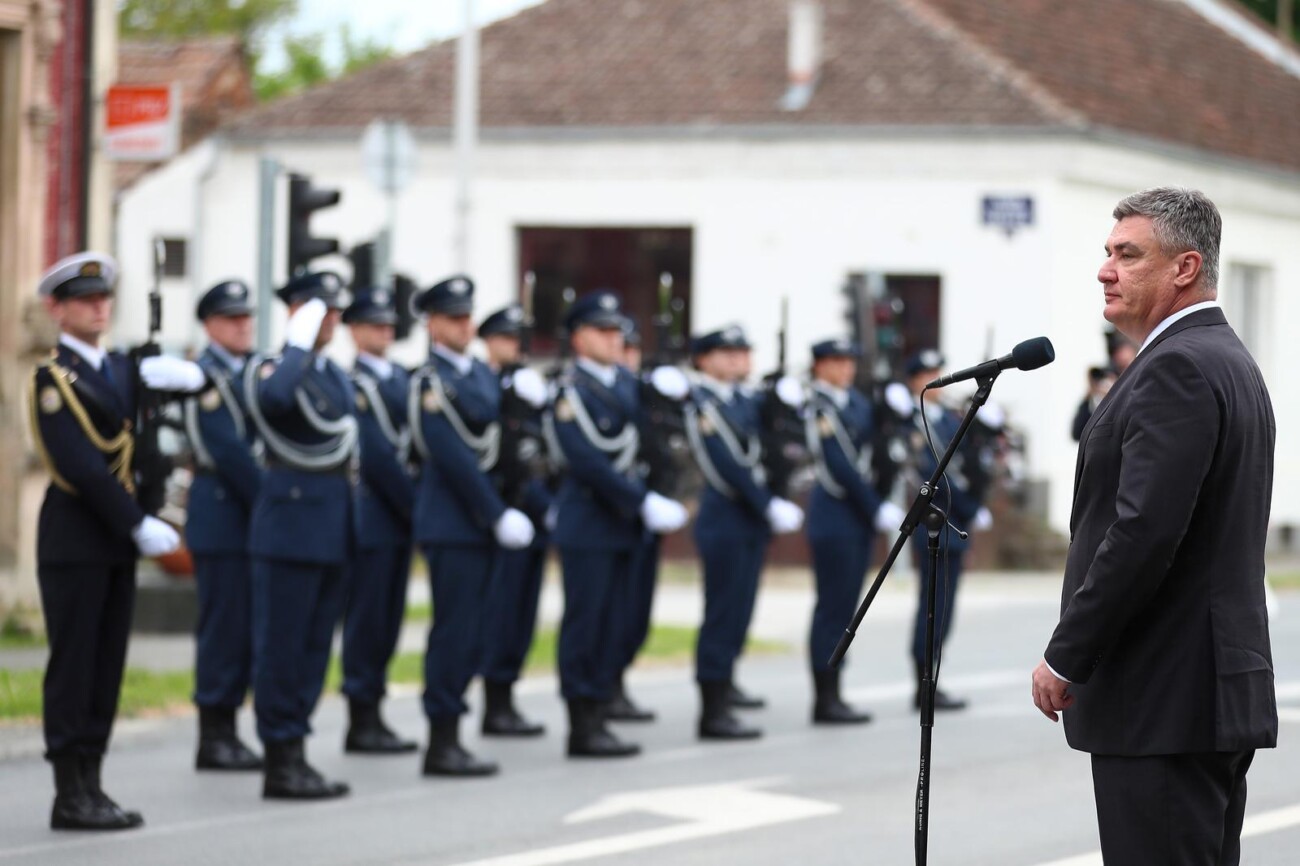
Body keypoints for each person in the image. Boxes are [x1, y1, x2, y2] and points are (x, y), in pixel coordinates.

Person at [1031, 188, 1277, 865]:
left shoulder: (1177, 367)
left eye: (1128, 255)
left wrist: (1067, 653)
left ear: (1184, 268)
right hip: (1197, 694)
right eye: (1108, 253)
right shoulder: (1225, 358)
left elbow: (1143, 534)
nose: (1105, 270)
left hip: (1163, 697)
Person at [29, 252, 203, 829]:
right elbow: (81, 466)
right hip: (76, 539)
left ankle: (94, 783)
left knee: (106, 666)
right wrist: (136, 522)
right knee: (75, 665)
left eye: (103, 298)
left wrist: (186, 378)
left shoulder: (126, 368)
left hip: (116, 543)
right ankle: (67, 792)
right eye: (84, 300)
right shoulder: (53, 379)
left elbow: (147, 439)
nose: (98, 308)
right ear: (57, 309)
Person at [550, 291, 689, 758]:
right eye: (604, 331)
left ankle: (603, 705)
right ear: (579, 338)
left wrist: (673, 395)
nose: (615, 339)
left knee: (617, 622)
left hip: (625, 525)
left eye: (618, 331)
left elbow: (659, 439)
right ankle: (582, 722)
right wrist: (641, 499)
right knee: (586, 623)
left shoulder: (629, 386)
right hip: (590, 523)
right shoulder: (569, 390)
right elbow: (586, 460)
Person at [409, 277, 536, 776]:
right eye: (454, 318)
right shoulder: (429, 380)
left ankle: (455, 730)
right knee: (454, 631)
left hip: (481, 523)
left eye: (468, 317)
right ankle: (441, 738)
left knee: (477, 632)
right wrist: (496, 511)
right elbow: (453, 457)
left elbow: (502, 443)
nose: (465, 326)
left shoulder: (483, 374)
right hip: (453, 521)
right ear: (432, 324)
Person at [244, 271, 355, 800]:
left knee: (313, 649)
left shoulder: (331, 373)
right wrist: (296, 344)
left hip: (331, 526)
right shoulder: (274, 367)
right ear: (297, 313)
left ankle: (297, 748)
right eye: (320, 310)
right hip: (289, 528)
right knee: (282, 649)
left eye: (334, 311)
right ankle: (279, 757)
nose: (332, 319)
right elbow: (275, 401)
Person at [685, 325, 803, 740]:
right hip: (724, 518)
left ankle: (727, 682)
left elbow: (776, 444)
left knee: (741, 609)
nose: (739, 359)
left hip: (750, 519)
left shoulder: (746, 400)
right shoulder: (698, 401)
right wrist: (765, 502)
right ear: (704, 359)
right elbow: (724, 463)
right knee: (722, 613)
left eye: (743, 351)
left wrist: (783, 401)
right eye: (728, 352)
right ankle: (712, 709)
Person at [185, 280, 264, 772]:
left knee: (245, 628)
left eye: (246, 316)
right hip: (222, 514)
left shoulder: (253, 369)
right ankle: (214, 734)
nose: (243, 325)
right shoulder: (202, 376)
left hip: (249, 517)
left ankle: (230, 727)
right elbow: (228, 451)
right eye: (232, 318)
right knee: (223, 627)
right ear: (210, 324)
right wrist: (273, 498)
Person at [803, 338, 904, 724]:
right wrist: (875, 505)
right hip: (834, 516)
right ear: (819, 365)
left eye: (850, 361)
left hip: (858, 518)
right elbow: (840, 464)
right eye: (837, 361)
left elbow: (881, 448)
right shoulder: (816, 405)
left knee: (847, 609)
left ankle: (835, 691)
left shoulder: (859, 403)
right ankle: (825, 696)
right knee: (832, 609)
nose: (846, 368)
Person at [339, 286, 418, 754]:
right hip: (374, 515)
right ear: (354, 331)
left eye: (390, 324)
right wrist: (417, 506)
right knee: (367, 621)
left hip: (401, 518)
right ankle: (361, 716)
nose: (385, 331)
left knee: (389, 619)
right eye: (375, 325)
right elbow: (377, 457)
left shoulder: (403, 379)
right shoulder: (354, 384)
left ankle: (376, 710)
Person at [903, 349, 993, 712]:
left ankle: (931, 682)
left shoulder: (947, 419)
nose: (935, 380)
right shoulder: (912, 420)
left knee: (944, 609)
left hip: (953, 524)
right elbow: (933, 475)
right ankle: (923, 685)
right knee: (932, 608)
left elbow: (969, 462)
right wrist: (970, 508)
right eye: (926, 374)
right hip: (933, 523)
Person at [477, 304, 551, 737]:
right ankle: (494, 702)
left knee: (523, 614)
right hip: (499, 511)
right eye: (508, 338)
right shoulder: (484, 384)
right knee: (501, 614)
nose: (516, 347)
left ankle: (507, 694)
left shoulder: (529, 387)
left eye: (521, 339)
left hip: (532, 510)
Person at [1070, 365, 1114, 442]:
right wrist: (1087, 397)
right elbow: (1076, 433)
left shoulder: (1122, 401)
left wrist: (1114, 394)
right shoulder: (1092, 405)